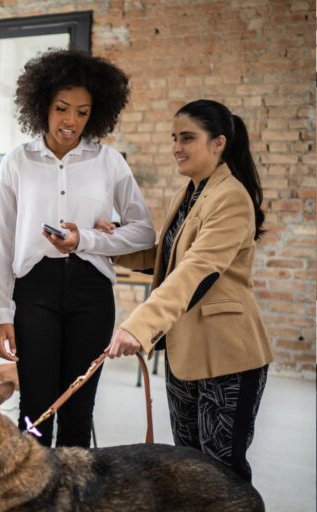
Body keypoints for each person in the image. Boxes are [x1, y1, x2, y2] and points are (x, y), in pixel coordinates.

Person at [0, 48, 156, 448]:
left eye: (82, 112)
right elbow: (2, 241)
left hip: (91, 293)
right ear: (42, 104)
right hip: (35, 292)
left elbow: (145, 232)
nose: (71, 121)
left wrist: (89, 239)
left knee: (78, 410)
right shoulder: (17, 161)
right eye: (63, 108)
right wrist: (2, 314)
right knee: (35, 408)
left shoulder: (109, 162)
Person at [104, 99, 273, 482]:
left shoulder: (230, 197)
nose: (176, 147)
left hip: (229, 355)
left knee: (222, 471)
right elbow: (168, 256)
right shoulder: (193, 191)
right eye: (174, 138)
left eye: (187, 138)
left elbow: (195, 271)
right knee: (189, 466)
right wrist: (106, 243)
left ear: (218, 143)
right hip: (186, 353)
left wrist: (138, 326)